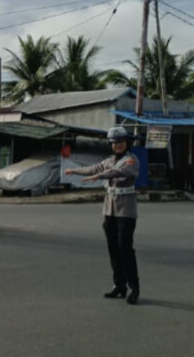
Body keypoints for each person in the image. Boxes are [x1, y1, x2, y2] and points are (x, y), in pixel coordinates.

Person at [64, 126, 141, 305]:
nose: (117, 146)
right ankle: (119, 285)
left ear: (126, 143)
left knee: (125, 248)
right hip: (109, 208)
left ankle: (133, 287)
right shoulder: (109, 161)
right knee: (113, 248)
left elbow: (121, 172)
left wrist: (98, 176)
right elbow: (92, 169)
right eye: (114, 143)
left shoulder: (132, 160)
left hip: (126, 209)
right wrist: (74, 171)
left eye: (120, 142)